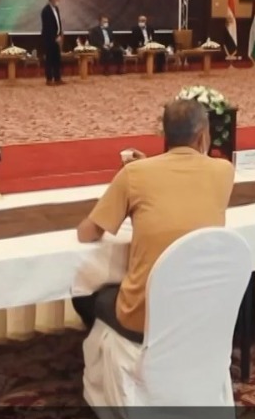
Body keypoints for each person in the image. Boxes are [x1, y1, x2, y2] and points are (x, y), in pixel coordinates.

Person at [72, 100, 234, 341]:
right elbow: (184, 182)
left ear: (164, 133)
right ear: (203, 135)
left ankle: (113, 348)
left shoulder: (135, 174)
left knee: (82, 295)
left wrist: (141, 170)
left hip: (144, 317)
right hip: (199, 309)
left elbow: (87, 234)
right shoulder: (224, 171)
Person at [40, 0, 64, 85]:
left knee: (57, 59)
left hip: (57, 37)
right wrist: (54, 37)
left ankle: (57, 78)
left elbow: (58, 23)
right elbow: (48, 26)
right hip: (49, 39)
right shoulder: (46, 11)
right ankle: (49, 79)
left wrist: (60, 34)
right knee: (49, 59)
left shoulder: (56, 9)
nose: (58, 0)